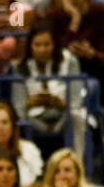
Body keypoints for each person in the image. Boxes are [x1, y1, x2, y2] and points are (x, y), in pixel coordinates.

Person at [50, 0, 104, 141]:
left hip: (95, 67)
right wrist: (75, 21)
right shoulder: (56, 16)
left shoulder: (102, 12)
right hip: (64, 69)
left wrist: (92, 53)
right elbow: (52, 52)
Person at [11, 19, 81, 159]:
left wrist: (60, 103)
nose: (42, 49)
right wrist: (31, 102)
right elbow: (18, 107)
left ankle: (78, 164)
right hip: (33, 119)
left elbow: (75, 101)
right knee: (17, 120)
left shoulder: (69, 61)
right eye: (37, 45)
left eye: (46, 45)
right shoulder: (19, 67)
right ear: (30, 45)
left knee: (78, 116)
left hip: (62, 116)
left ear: (54, 45)